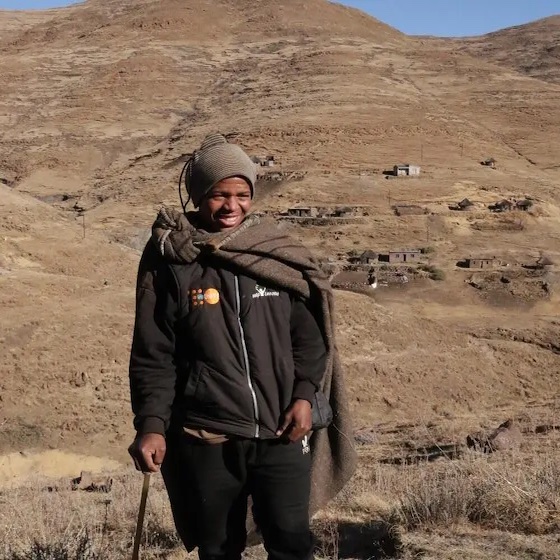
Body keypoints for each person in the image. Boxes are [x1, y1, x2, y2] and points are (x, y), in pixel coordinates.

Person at [128, 133, 356, 560]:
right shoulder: (172, 263)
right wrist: (152, 424)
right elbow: (153, 353)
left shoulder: (274, 256)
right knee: (218, 549)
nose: (232, 206)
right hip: (207, 435)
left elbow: (309, 340)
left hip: (281, 432)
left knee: (291, 543)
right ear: (196, 195)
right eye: (218, 195)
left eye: (242, 194)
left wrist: (305, 396)